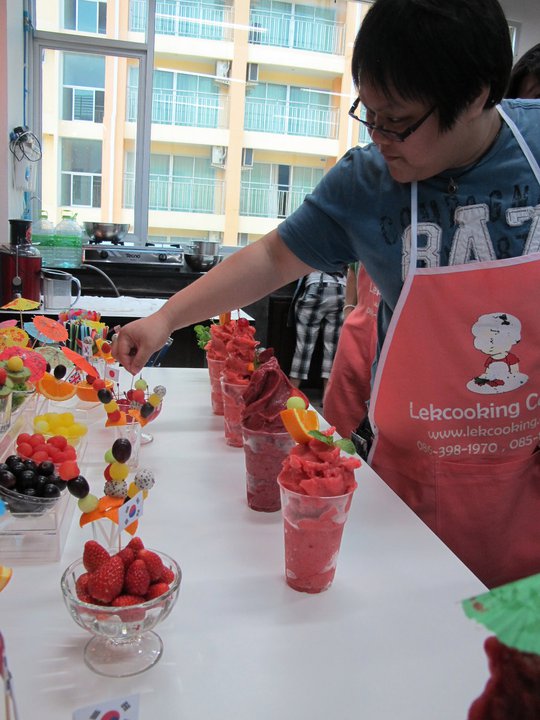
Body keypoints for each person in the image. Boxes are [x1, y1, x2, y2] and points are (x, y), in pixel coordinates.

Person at [113, 0, 540, 589]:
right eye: (370, 113)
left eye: (398, 121)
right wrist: (166, 318)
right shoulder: (366, 183)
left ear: (476, 96)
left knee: (512, 639)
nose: (379, 137)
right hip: (413, 479)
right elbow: (272, 257)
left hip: (526, 471)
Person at [323, 263, 380, 439]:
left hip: (397, 335)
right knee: (342, 404)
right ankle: (337, 452)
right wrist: (348, 310)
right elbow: (353, 270)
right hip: (359, 331)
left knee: (387, 413)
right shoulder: (366, 244)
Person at [288, 270, 345, 396]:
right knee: (332, 349)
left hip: (316, 285)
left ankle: (292, 393)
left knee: (304, 347)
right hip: (340, 287)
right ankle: (327, 398)